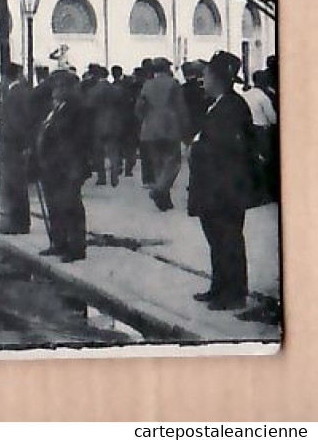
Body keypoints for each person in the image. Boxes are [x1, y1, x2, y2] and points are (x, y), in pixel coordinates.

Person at [187, 54, 256, 310]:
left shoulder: (231, 106)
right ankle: (219, 287)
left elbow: (226, 149)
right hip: (215, 186)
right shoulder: (219, 104)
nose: (202, 81)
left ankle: (234, 294)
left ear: (218, 79)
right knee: (217, 238)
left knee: (228, 239)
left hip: (225, 187)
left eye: (205, 76)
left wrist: (197, 147)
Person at [35, 70, 91, 262]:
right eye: (54, 87)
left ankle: (76, 247)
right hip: (53, 165)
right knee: (55, 206)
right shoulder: (56, 108)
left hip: (69, 165)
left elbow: (81, 139)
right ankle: (59, 242)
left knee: (71, 206)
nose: (54, 91)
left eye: (58, 87)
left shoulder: (77, 108)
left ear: (67, 88)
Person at [137, 56, 188, 211]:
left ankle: (165, 200)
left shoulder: (147, 85)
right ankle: (160, 190)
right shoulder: (173, 84)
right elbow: (180, 107)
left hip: (150, 128)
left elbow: (139, 107)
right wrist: (186, 128)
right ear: (167, 68)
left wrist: (144, 121)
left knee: (158, 163)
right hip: (170, 126)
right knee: (173, 163)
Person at [0, 62, 34, 234]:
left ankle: (18, 223)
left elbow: (17, 123)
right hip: (12, 144)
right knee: (15, 185)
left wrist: (18, 142)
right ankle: (18, 221)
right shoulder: (15, 92)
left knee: (14, 185)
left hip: (13, 146)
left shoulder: (15, 94)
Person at [241, 67, 278, 205]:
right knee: (264, 162)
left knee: (251, 161)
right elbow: (273, 118)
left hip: (246, 130)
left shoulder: (246, 94)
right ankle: (264, 194)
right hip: (261, 131)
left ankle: (251, 193)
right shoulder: (263, 97)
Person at [85, 64, 125, 187]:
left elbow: (88, 107)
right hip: (114, 122)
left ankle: (102, 177)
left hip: (98, 123)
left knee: (98, 152)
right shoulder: (116, 90)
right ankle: (114, 175)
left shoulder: (93, 91)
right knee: (113, 150)